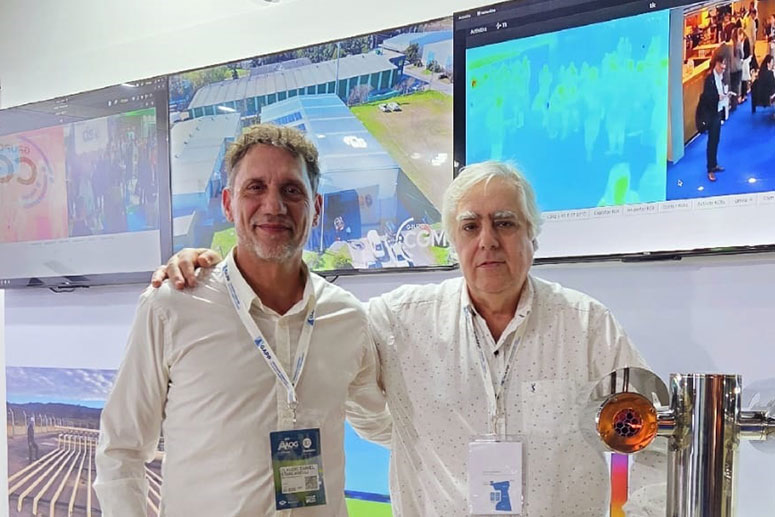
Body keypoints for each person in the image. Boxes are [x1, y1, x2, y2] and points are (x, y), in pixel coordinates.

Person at [156, 161, 665, 516]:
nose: (487, 241)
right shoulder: (399, 320)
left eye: (505, 223)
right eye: (470, 226)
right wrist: (218, 273)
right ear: (453, 240)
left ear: (533, 234)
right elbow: (303, 319)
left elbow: (659, 444)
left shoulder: (588, 326)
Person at [94, 124, 390, 516]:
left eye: (292, 190)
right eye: (255, 188)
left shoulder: (347, 317)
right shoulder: (173, 305)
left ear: (316, 207)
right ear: (228, 203)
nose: (274, 205)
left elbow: (379, 421)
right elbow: (121, 448)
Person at [698, 54, 735, 182]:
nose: (723, 67)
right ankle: (710, 169)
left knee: (716, 140)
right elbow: (707, 97)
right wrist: (718, 97)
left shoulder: (721, 77)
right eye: (721, 64)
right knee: (712, 142)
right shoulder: (710, 79)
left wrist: (724, 96)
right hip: (711, 114)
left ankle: (714, 164)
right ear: (716, 64)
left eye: (724, 64)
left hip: (718, 112)